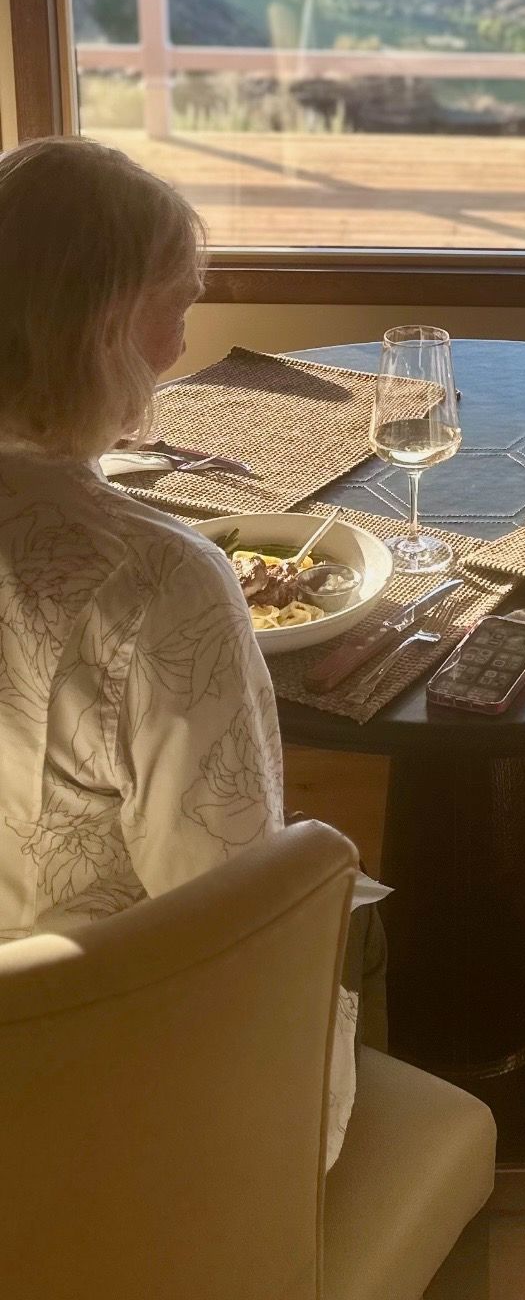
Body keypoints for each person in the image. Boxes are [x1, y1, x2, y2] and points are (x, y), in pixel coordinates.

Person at [0, 136, 372, 1166]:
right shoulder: (153, 580)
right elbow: (230, 910)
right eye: (181, 305)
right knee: (355, 923)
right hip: (91, 1088)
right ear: (111, 323)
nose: (182, 342)